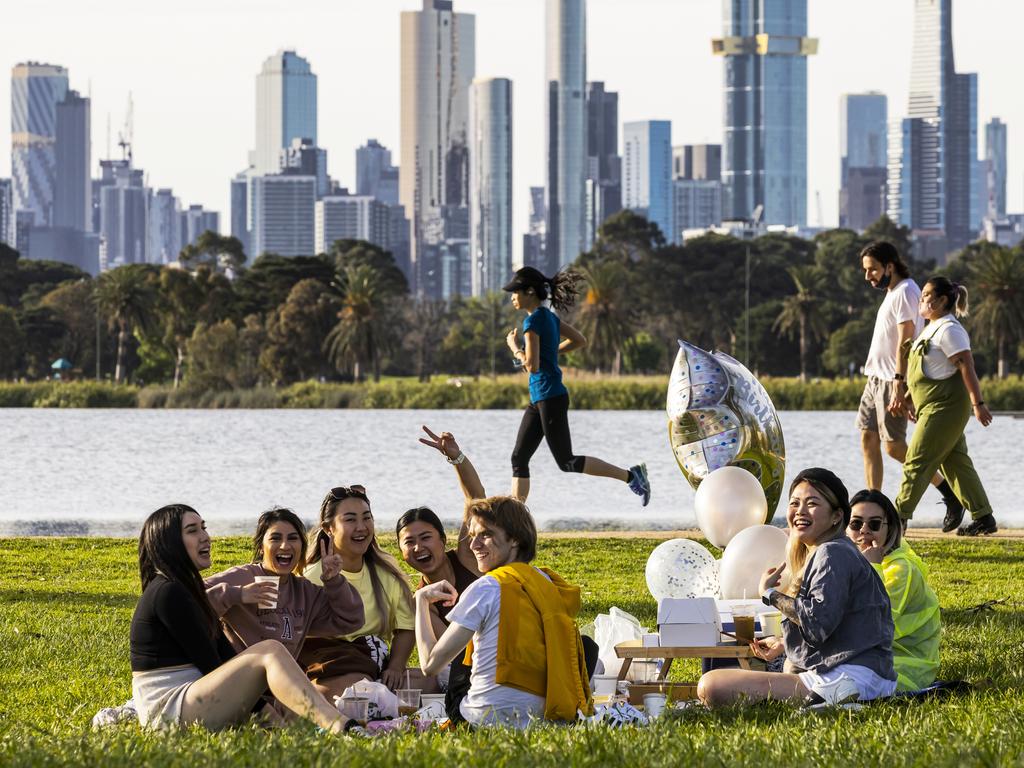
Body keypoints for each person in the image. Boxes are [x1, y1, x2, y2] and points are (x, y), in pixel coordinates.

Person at [130, 504, 351, 732]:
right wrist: (268, 716)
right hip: (168, 712)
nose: (205, 537)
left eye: (203, 528)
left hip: (191, 699)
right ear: (170, 541)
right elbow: (212, 664)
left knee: (280, 687)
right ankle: (340, 727)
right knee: (270, 651)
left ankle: (332, 725)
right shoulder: (168, 592)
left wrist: (273, 717)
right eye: (193, 530)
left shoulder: (183, 588)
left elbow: (224, 653)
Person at [697, 469, 896, 709]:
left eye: (812, 503)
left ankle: (830, 700)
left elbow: (817, 622)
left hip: (849, 677)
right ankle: (824, 700)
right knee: (779, 668)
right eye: (795, 503)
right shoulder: (833, 551)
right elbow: (837, 621)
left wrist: (770, 594)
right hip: (860, 674)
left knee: (711, 685)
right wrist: (782, 642)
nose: (800, 511)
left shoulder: (832, 553)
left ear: (836, 516)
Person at [414, 495, 594, 728]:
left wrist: (421, 600)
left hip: (485, 720)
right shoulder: (549, 584)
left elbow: (429, 665)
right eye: (472, 537)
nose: (473, 545)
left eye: (485, 535)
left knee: (461, 646)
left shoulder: (486, 587)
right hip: (550, 720)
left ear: (515, 540)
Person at [502, 266, 650, 505]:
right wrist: (549, 354)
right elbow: (580, 340)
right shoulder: (548, 317)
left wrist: (514, 347)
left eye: (515, 292)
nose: (511, 297)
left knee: (566, 461)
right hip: (540, 399)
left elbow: (532, 366)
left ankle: (632, 476)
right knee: (519, 457)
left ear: (529, 291)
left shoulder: (531, 323)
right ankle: (516, 516)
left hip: (549, 397)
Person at [857, 241, 963, 530]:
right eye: (866, 271)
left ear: (889, 266)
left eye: (873, 270)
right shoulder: (893, 292)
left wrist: (899, 384)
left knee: (894, 448)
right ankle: (873, 506)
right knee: (867, 439)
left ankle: (949, 495)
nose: (868, 276)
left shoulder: (906, 291)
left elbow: (907, 339)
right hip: (874, 378)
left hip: (891, 379)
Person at [894, 277, 997, 536]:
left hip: (944, 408)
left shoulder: (950, 329)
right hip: (930, 406)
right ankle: (983, 517)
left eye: (927, 295)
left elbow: (966, 365)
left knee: (916, 461)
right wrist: (907, 399)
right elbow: (929, 371)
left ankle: (896, 519)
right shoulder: (930, 328)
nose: (922, 299)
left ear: (941, 301)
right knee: (956, 463)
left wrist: (978, 403)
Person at [299, 485, 418, 698]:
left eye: (367, 518)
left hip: (375, 664)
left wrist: (397, 666)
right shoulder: (311, 576)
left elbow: (406, 626)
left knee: (431, 682)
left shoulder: (387, 574)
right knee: (358, 687)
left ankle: (376, 695)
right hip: (331, 667)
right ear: (329, 528)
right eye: (350, 519)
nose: (361, 527)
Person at [204, 507, 365, 660]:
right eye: (276, 538)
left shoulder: (305, 592)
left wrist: (334, 582)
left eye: (293, 538)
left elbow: (352, 620)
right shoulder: (242, 576)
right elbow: (187, 604)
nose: (285, 545)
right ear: (261, 547)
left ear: (302, 547)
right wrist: (237, 594)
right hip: (236, 678)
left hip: (276, 684)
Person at [847, 489, 940, 692]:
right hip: (870, 654)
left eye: (874, 524)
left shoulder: (901, 569)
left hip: (906, 665)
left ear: (889, 529)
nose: (864, 530)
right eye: (855, 523)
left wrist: (873, 567)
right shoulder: (849, 560)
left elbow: (877, 625)